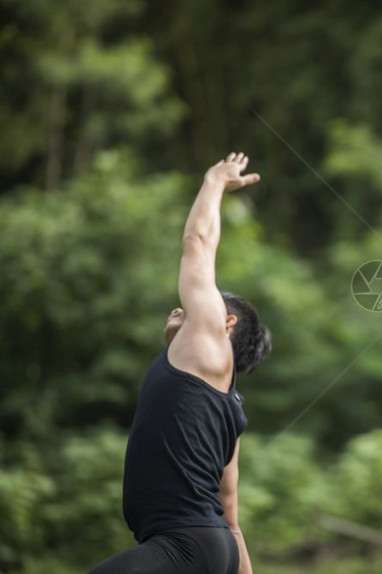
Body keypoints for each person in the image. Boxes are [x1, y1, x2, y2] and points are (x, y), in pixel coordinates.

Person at [91, 153, 271, 574]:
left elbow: (197, 242)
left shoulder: (209, 342)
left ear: (225, 323)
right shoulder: (228, 409)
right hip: (211, 548)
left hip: (185, 545)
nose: (184, 305)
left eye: (207, 299)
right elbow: (230, 513)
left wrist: (213, 181)